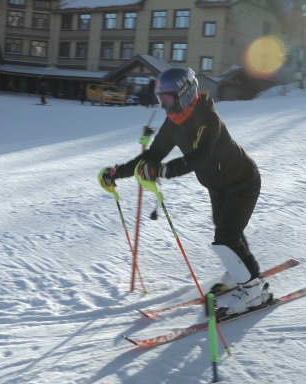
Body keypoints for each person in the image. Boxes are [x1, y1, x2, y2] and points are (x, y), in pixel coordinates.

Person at [98, 67, 269, 317]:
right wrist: (117, 172)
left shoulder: (207, 118)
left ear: (186, 95)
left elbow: (200, 156)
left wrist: (164, 171)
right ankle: (240, 272)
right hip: (218, 185)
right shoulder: (174, 123)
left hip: (242, 181)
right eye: (161, 99)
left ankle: (254, 289)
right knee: (227, 232)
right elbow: (154, 156)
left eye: (168, 98)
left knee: (226, 237)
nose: (164, 104)